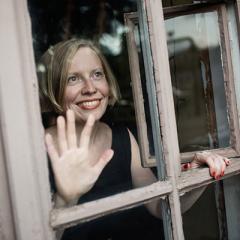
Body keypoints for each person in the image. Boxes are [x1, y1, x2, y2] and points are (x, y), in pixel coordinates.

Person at [37, 38, 230, 239]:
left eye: (96, 74)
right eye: (73, 78)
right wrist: (65, 199)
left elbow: (158, 205)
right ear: (53, 88)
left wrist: (197, 176)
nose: (90, 88)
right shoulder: (36, 149)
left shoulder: (124, 137)